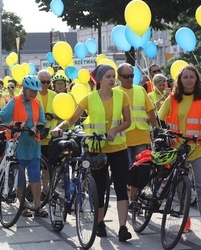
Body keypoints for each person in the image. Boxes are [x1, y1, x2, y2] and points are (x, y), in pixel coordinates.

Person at [51, 64, 132, 241]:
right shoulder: (90, 98)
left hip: (118, 147)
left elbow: (128, 121)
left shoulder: (121, 95)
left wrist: (115, 130)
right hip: (97, 148)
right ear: (100, 79)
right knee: (100, 188)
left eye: (114, 76)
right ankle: (100, 222)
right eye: (108, 76)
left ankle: (123, 228)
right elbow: (72, 119)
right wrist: (59, 127)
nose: (112, 79)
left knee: (120, 188)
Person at [0, 75, 48, 218]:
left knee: (35, 176)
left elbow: (42, 121)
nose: (34, 93)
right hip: (17, 143)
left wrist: (37, 127)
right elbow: (2, 115)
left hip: (33, 144)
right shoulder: (15, 101)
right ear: (24, 89)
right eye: (32, 91)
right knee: (19, 175)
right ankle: (23, 205)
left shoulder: (37, 103)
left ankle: (38, 206)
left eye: (36, 91)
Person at [158, 64, 201, 232]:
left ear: (197, 79)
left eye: (192, 77)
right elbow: (160, 118)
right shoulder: (173, 98)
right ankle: (185, 220)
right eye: (185, 77)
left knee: (200, 185)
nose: (189, 80)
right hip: (177, 147)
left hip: (198, 148)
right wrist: (166, 134)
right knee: (181, 186)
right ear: (180, 80)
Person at [116, 63, 158, 209]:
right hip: (122, 138)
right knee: (126, 172)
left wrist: (156, 129)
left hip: (141, 136)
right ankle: (126, 199)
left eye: (131, 76)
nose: (129, 79)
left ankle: (133, 200)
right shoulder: (115, 92)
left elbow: (151, 112)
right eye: (126, 76)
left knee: (140, 171)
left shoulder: (141, 90)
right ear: (119, 77)